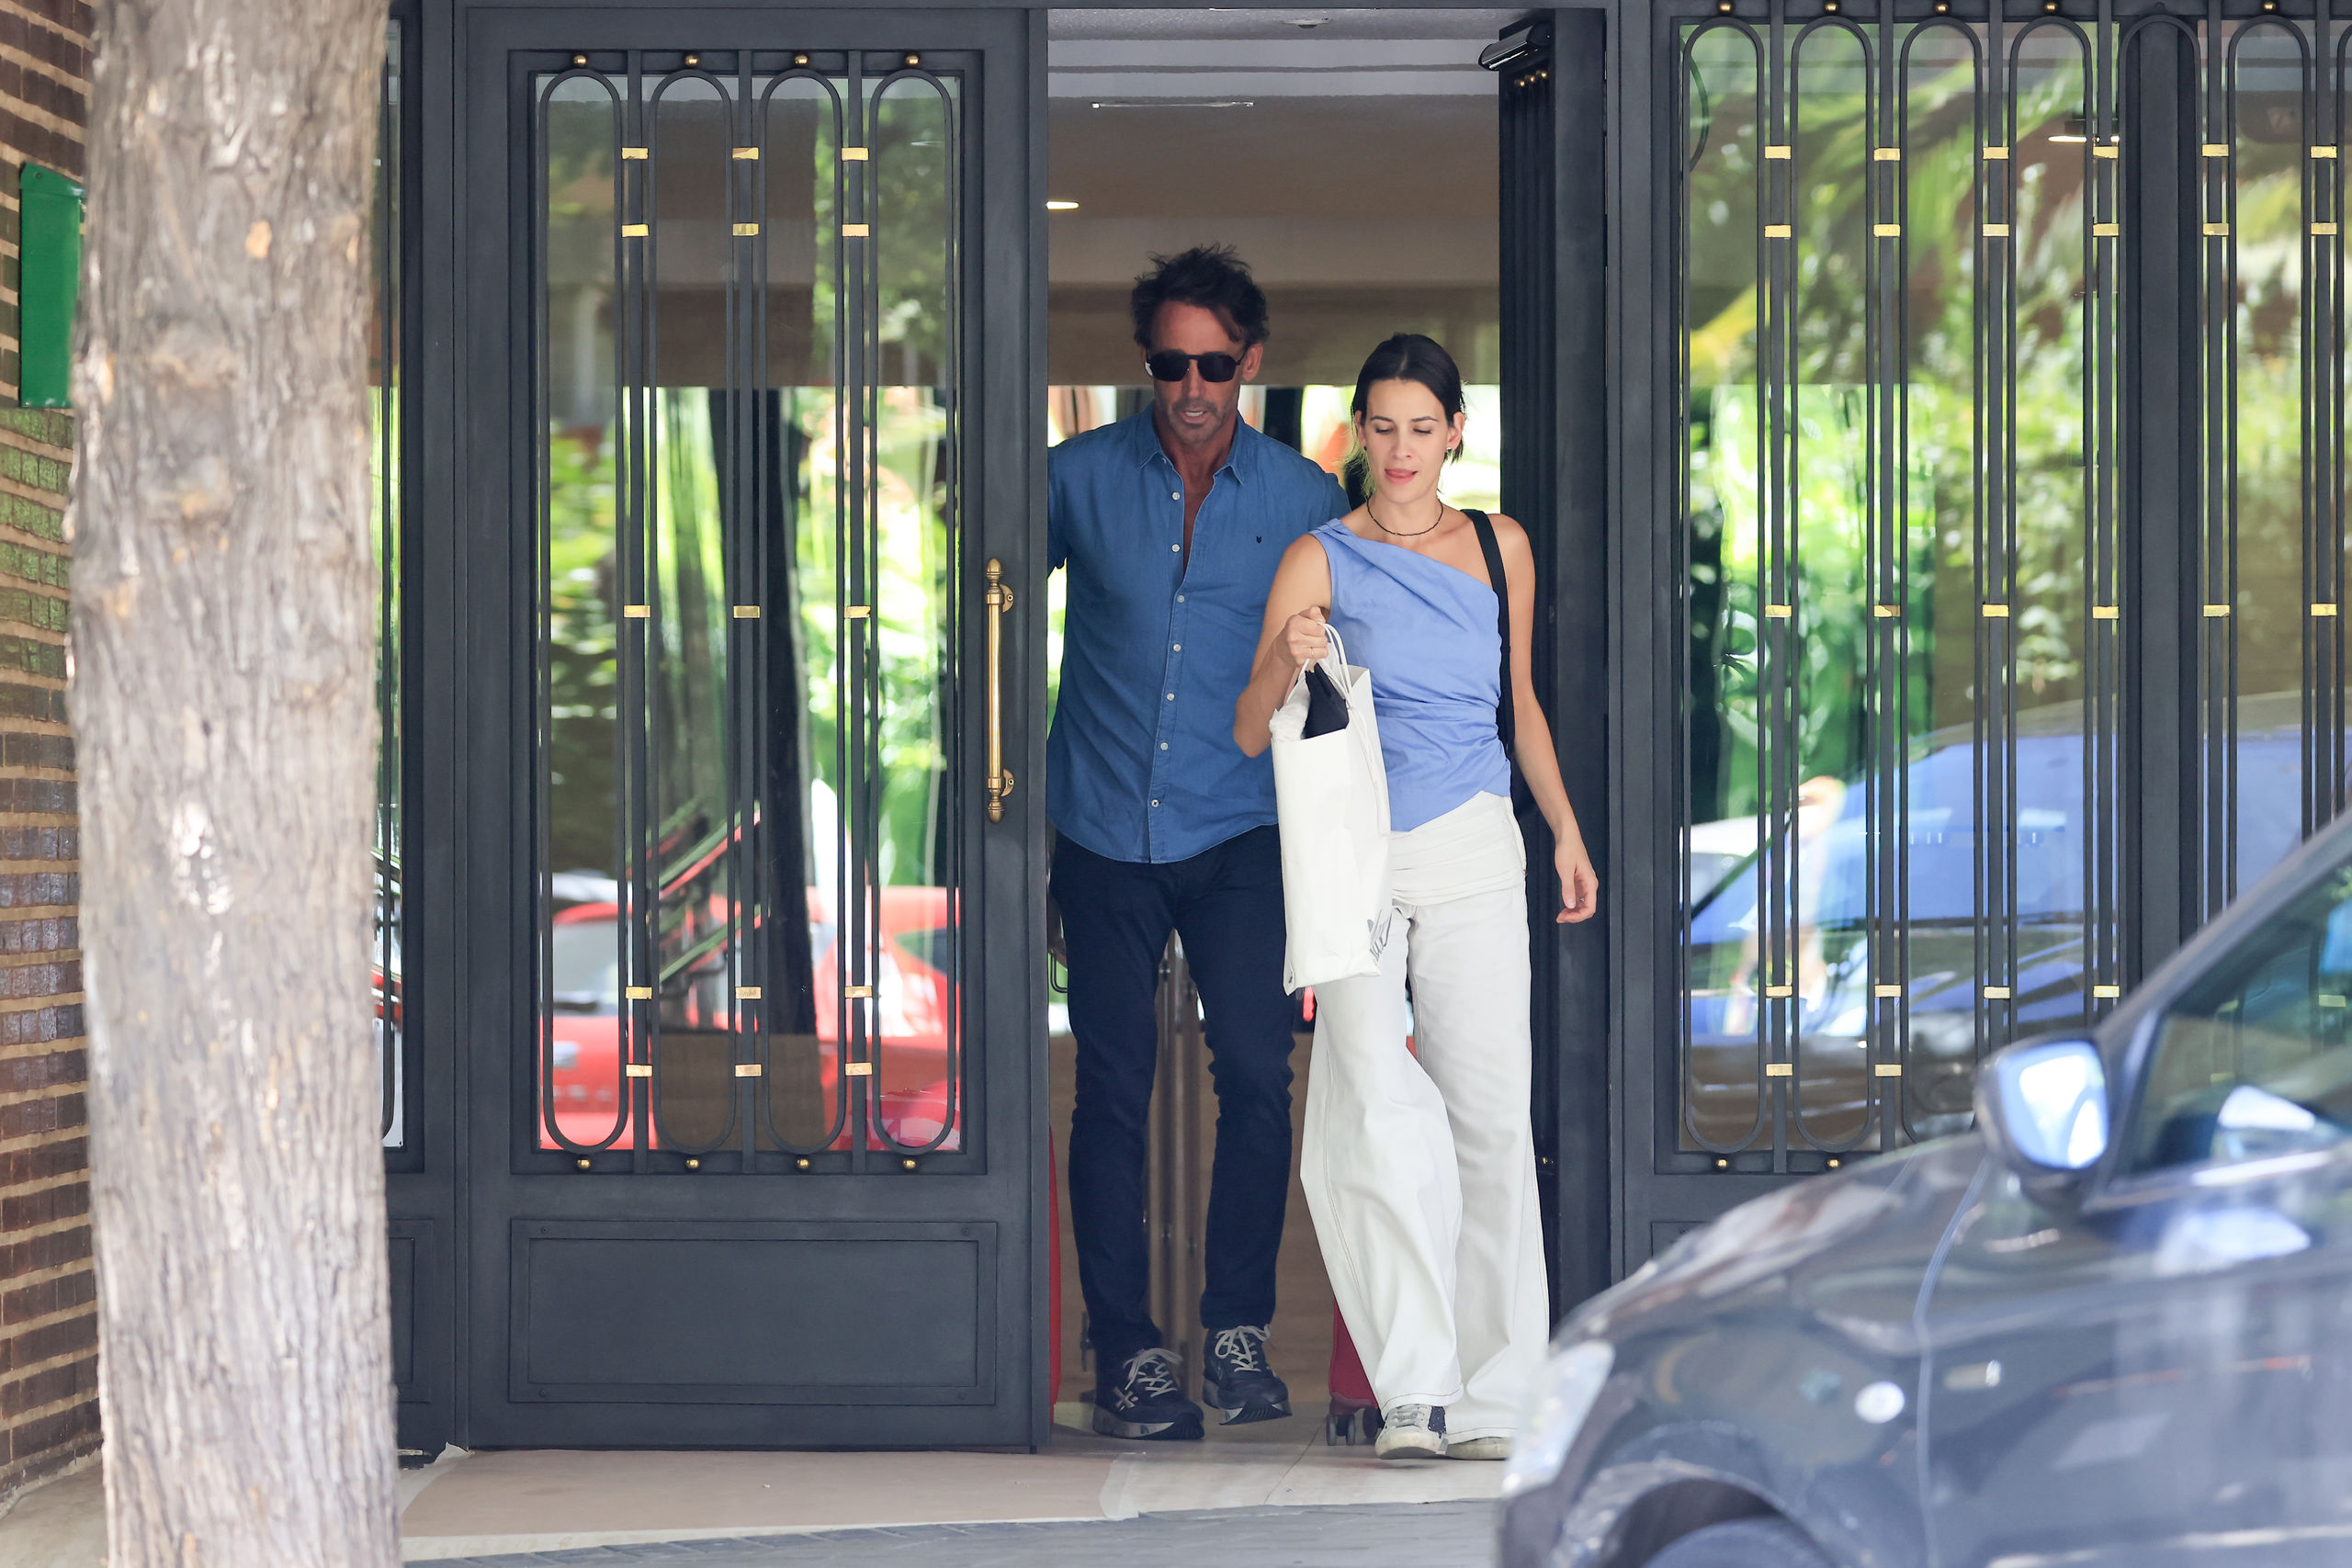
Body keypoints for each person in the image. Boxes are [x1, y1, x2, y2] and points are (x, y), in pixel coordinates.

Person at [1233, 333, 1600, 1461]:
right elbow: (1247, 728)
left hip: (1476, 844)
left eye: (1422, 429)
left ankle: (1497, 1394)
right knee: (1379, 1112)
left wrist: (1563, 830)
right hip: (1353, 855)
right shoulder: (1320, 557)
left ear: (1455, 434)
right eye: (1383, 428)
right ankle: (1413, 1394)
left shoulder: (1499, 546)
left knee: (1488, 1119)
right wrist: (1289, 655)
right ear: (1359, 433)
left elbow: (1517, 704)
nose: (1401, 451)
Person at [1049, 245, 1350, 1440]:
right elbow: (990, 601)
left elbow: (1352, 669)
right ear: (1147, 364)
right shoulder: (1075, 479)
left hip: (1243, 828)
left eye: (1214, 365)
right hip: (1103, 825)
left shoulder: (1303, 500)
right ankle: (1126, 1350)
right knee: (1112, 1088)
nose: (1190, 387)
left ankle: (1235, 1332)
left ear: (1250, 362)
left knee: (1260, 1078)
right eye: (1170, 365)